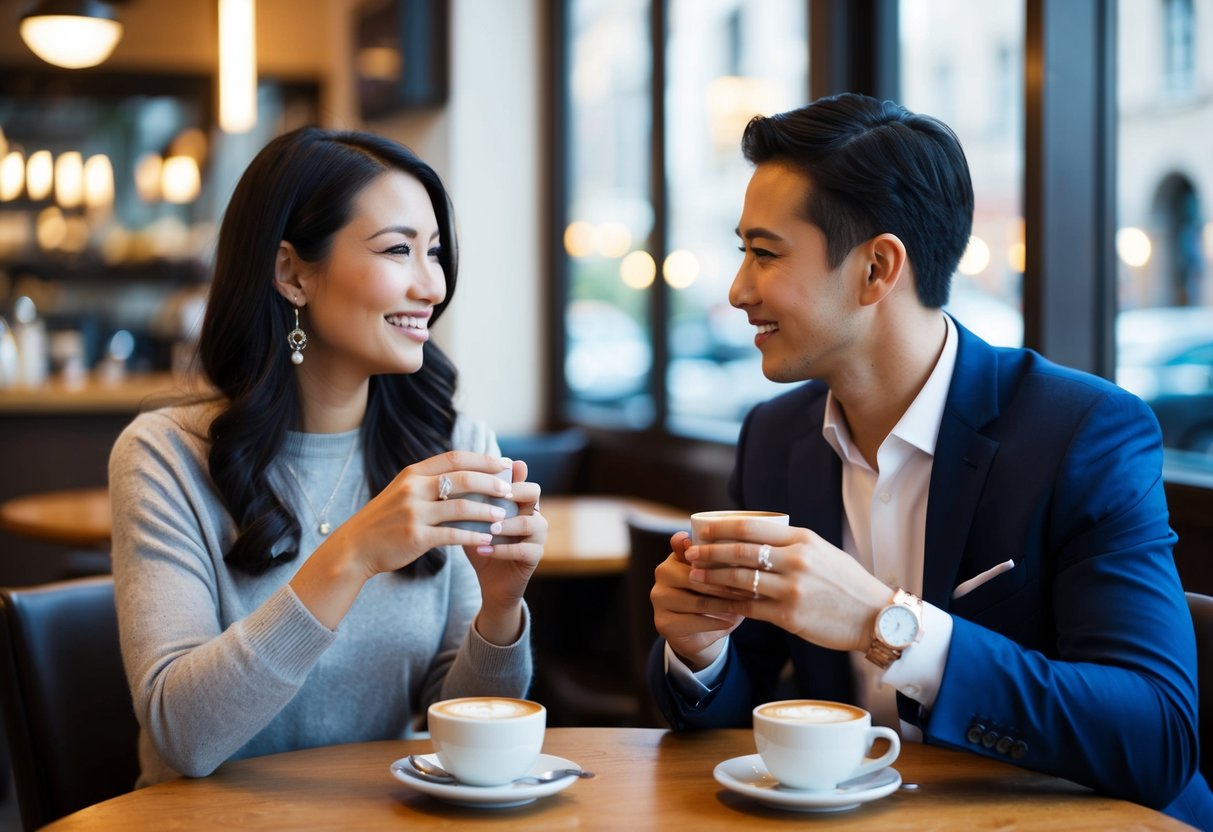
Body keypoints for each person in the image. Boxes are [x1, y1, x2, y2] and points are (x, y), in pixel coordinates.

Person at [647, 93, 1213, 827]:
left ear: (877, 268)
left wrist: (884, 623)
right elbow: (732, 710)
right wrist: (700, 651)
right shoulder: (774, 438)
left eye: (763, 253)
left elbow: (1155, 735)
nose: (737, 289)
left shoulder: (1082, 432)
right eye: (741, 253)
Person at [109, 127, 546, 787]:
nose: (431, 284)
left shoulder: (457, 448)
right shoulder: (164, 454)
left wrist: (500, 610)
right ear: (291, 272)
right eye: (398, 249)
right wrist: (351, 555)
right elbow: (185, 738)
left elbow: (448, 724)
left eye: (434, 252)